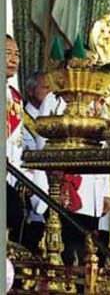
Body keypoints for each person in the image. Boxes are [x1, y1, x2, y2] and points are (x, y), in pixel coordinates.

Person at [39, 92, 110, 265]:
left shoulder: (99, 102)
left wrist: (105, 192)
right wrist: (55, 183)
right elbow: (42, 146)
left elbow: (106, 149)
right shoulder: (56, 98)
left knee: (88, 253)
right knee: (67, 252)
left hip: (93, 194)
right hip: (65, 188)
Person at [22, 72, 50, 253]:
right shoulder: (20, 119)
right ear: (31, 91)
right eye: (45, 88)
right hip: (30, 185)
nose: (49, 93)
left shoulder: (52, 118)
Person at [6, 35, 26, 242]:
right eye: (7, 53)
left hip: (11, 175)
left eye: (17, 54)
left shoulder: (15, 97)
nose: (14, 59)